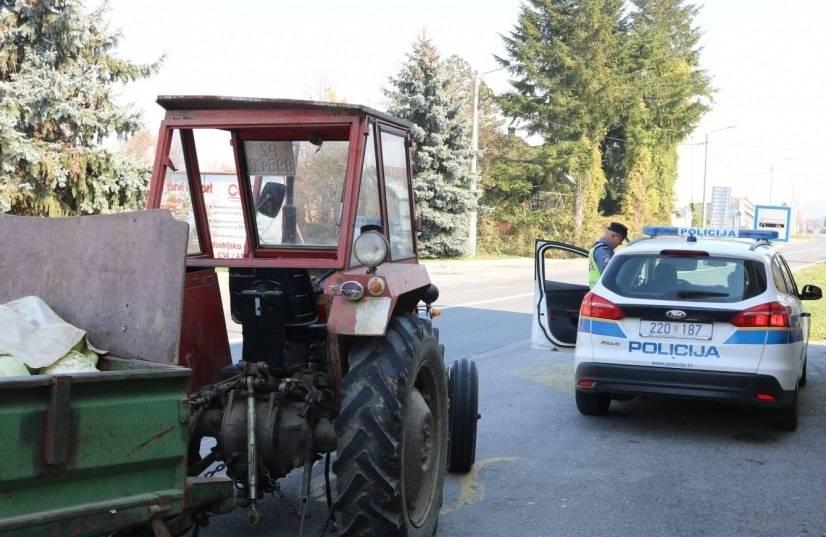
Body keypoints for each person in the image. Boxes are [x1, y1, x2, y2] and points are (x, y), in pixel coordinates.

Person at [588, 222, 628, 288]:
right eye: (621, 240)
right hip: (603, 293)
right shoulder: (603, 251)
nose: (620, 243)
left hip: (599, 291)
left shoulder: (598, 248)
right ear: (613, 236)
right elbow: (609, 275)